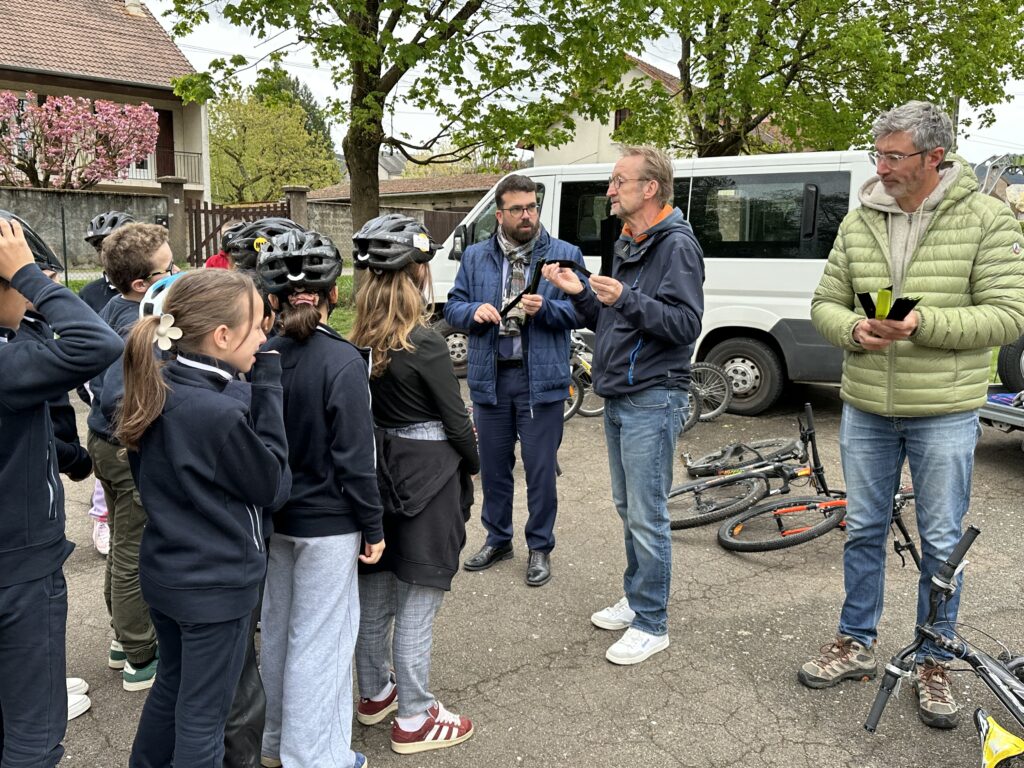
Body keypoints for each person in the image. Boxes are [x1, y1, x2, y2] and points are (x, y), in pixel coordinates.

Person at [799, 100, 1024, 728]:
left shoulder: (986, 219)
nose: (882, 167)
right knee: (863, 530)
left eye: (894, 156)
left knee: (943, 541)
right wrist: (852, 330)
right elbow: (825, 302)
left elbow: (1009, 316)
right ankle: (855, 642)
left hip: (945, 410)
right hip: (867, 404)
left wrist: (922, 324)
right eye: (879, 154)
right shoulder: (859, 219)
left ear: (935, 157)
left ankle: (934, 659)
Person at [119, 270, 289, 767]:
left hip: (167, 572)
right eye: (257, 327)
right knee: (204, 718)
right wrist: (269, 388)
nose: (263, 339)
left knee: (171, 688)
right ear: (222, 336)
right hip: (215, 584)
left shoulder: (157, 385)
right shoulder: (216, 414)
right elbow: (274, 485)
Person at [543, 145, 704, 665]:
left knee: (647, 513)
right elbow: (609, 319)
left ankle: (652, 622)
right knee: (629, 508)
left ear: (649, 188)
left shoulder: (676, 246)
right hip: (620, 392)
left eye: (618, 181)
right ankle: (637, 599)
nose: (610, 191)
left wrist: (624, 298)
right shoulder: (629, 240)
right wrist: (579, 293)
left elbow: (685, 325)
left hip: (653, 396)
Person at [254, 229, 384, 768]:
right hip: (330, 523)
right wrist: (373, 525)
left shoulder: (259, 356)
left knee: (278, 634)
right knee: (321, 642)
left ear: (275, 299)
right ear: (334, 294)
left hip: (274, 519)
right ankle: (315, 757)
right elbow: (356, 457)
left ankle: (273, 742)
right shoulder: (344, 361)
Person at [350, 214, 478, 754]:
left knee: (376, 595)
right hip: (428, 476)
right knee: (418, 602)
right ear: (416, 275)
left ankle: (374, 692)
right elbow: (456, 420)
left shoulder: (358, 340)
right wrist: (475, 463)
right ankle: (415, 717)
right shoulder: (424, 342)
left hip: (378, 471)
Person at [0, 213, 123, 765]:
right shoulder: (8, 365)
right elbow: (96, 344)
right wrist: (29, 275)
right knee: (32, 737)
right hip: (19, 570)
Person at [444, 175, 584, 587]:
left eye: (532, 207)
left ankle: (539, 547)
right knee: (494, 470)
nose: (527, 215)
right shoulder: (475, 257)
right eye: (518, 209)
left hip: (540, 381)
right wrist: (472, 312)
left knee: (540, 472)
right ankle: (498, 539)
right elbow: (452, 307)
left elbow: (585, 310)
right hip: (491, 379)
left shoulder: (563, 254)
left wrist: (548, 311)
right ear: (499, 214)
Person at [86, 223, 179, 691]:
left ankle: (122, 637)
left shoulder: (114, 307)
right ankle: (140, 653)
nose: (177, 272)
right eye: (168, 268)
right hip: (125, 447)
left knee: (123, 540)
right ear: (141, 284)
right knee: (132, 548)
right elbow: (117, 397)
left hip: (104, 443)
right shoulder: (140, 323)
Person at [80, 210, 136, 554]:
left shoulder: (155, 291)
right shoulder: (91, 293)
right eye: (101, 246)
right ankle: (100, 518)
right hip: (108, 408)